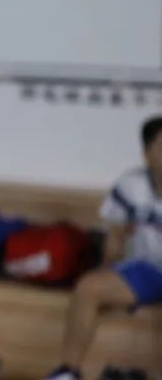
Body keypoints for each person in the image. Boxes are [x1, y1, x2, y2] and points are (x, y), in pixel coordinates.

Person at [42, 116, 162, 380]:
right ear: (146, 155)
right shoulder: (131, 185)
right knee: (89, 287)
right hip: (146, 270)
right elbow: (115, 236)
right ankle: (68, 372)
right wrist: (109, 271)